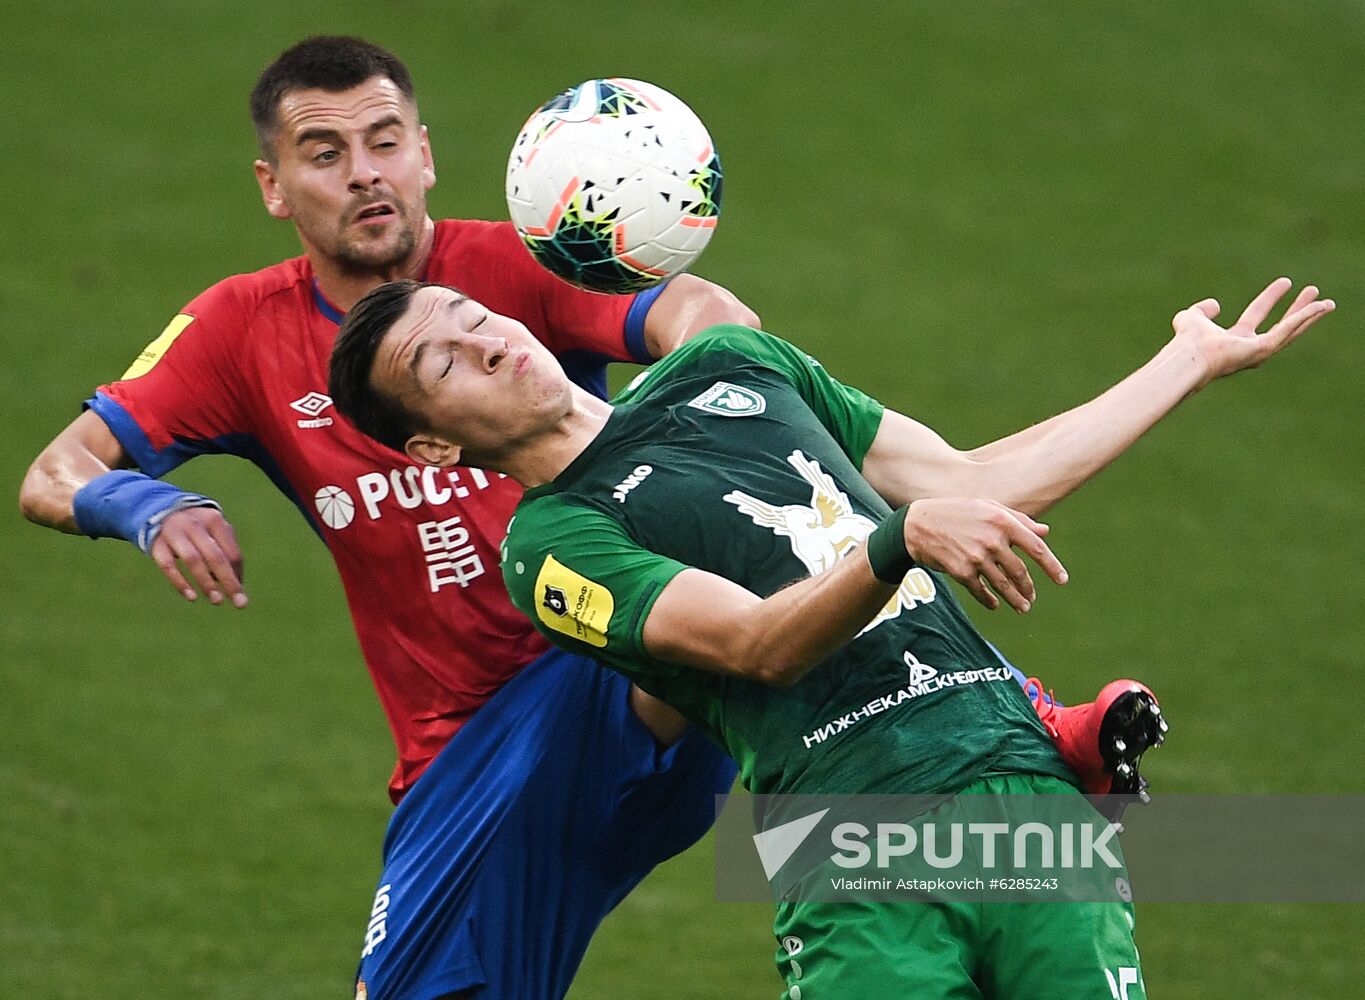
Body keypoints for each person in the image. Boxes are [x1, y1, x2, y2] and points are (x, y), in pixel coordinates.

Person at [327, 275, 1331, 997]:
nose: (486, 342)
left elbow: (978, 484)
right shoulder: (552, 547)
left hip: (1018, 785)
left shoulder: (732, 364)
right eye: (441, 360)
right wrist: (896, 541)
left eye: (473, 315)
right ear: (434, 445)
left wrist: (1187, 361)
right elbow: (756, 644)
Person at [18, 35, 761, 1000]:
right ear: (273, 187)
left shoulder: (514, 267)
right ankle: (941, 855)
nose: (365, 173)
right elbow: (53, 473)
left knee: (793, 660)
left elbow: (701, 311)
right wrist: (146, 503)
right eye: (325, 154)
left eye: (385, 141)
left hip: (609, 650)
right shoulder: (241, 331)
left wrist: (700, 414)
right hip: (471, 750)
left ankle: (942, 850)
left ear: (425, 153)